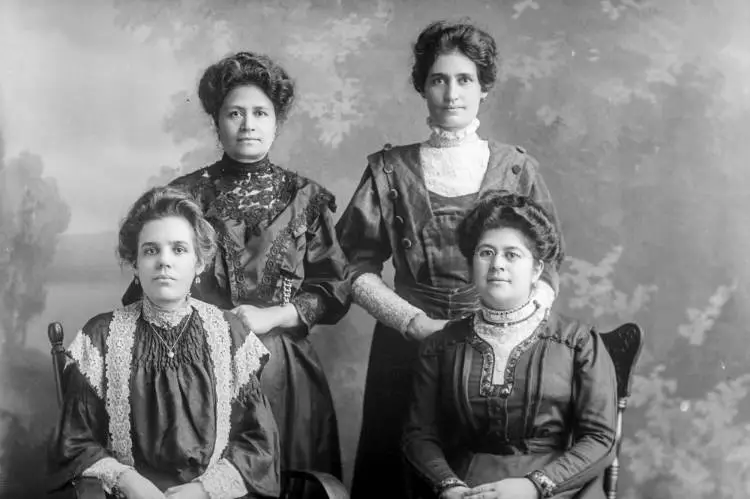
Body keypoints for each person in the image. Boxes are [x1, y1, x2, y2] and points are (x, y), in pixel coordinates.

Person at [335, 19, 563, 498]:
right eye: (439, 79)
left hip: (497, 354)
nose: (451, 93)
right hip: (406, 349)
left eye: (465, 80)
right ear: (423, 87)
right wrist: (412, 322)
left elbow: (549, 262)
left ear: (484, 89)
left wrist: (512, 327)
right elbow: (352, 264)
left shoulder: (516, 168)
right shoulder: (388, 169)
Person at [123, 51, 349, 478]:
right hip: (197, 369)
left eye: (260, 113)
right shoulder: (183, 198)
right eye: (235, 113)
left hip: (284, 373)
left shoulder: (307, 199)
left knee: (290, 478)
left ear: (276, 121)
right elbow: (147, 290)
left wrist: (273, 316)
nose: (248, 124)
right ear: (217, 121)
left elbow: (334, 289)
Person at [49, 186, 280, 499]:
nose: (164, 262)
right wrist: (129, 481)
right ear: (135, 264)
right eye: (150, 250)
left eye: (179, 249)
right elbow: (75, 441)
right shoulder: (102, 336)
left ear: (200, 264)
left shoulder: (229, 333)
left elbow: (257, 441)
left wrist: (202, 490)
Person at [402, 192, 617, 499]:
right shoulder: (441, 346)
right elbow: (419, 435)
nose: (497, 265)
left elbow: (600, 438)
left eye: (512, 255)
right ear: (471, 264)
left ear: (537, 269)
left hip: (558, 487)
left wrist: (534, 485)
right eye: (486, 253)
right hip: (469, 489)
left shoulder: (577, 343)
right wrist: (448, 484)